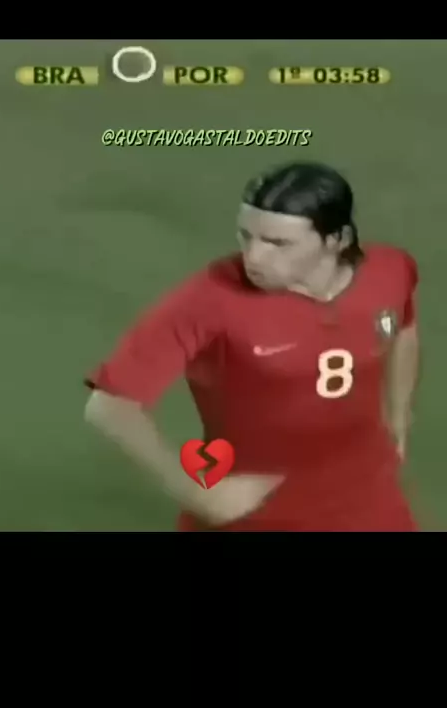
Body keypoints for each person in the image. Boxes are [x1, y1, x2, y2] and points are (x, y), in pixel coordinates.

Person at [84, 162, 420, 531]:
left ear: (336, 240)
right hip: (258, 515)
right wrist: (197, 495)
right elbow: (110, 404)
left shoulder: (390, 271)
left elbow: (402, 325)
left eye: (278, 243)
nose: (254, 257)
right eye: (247, 236)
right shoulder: (210, 300)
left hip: (370, 504)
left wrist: (398, 416)